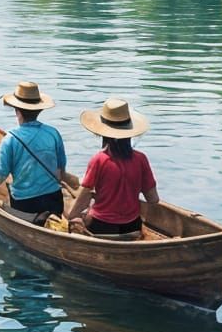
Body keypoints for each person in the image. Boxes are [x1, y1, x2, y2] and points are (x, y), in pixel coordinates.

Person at [0, 82, 79, 220]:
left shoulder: (10, 139)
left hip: (25, 206)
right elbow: (60, 172)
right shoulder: (53, 133)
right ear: (39, 110)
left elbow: (0, 174)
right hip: (54, 202)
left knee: (9, 185)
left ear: (17, 111)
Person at [68, 98, 159, 237]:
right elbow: (153, 199)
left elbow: (83, 197)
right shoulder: (141, 159)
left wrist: (72, 215)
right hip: (132, 226)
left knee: (69, 213)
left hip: (101, 227)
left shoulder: (99, 160)